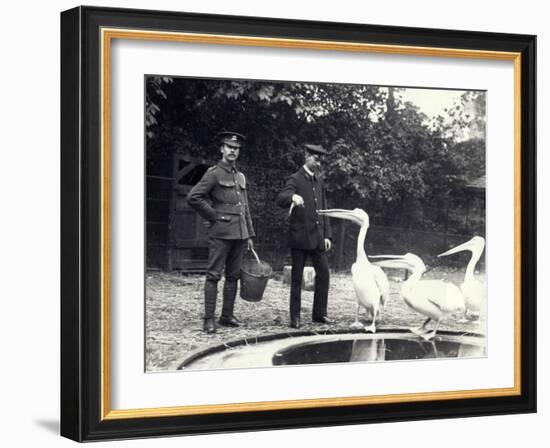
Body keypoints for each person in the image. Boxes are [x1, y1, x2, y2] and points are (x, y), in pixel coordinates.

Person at [187, 131, 255, 334]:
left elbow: (245, 207)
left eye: (236, 148)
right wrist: (214, 216)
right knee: (213, 275)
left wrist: (250, 234)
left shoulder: (240, 176)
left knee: (233, 276)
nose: (233, 151)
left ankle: (226, 316)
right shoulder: (214, 173)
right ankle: (209, 319)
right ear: (222, 149)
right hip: (221, 233)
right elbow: (194, 197)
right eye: (229, 147)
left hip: (240, 234)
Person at [276, 143, 332, 329]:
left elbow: (323, 210)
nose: (318, 162)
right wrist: (292, 197)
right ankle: (295, 317)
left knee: (324, 273)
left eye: (320, 159)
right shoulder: (295, 178)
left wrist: (327, 235)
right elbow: (281, 198)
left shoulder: (319, 181)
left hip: (317, 238)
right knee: (297, 279)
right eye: (315, 158)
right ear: (306, 156)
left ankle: (319, 314)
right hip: (300, 238)